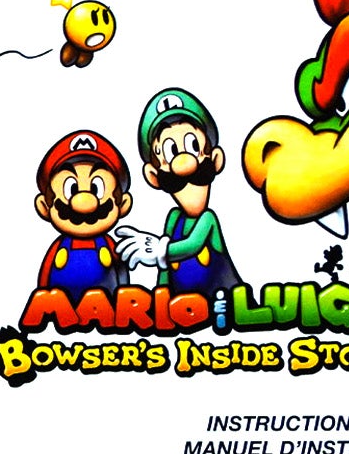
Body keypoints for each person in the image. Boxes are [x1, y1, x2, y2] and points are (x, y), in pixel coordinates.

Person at [116, 88, 242, 295]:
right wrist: (160, 294)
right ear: (153, 176)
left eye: (193, 146)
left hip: (225, 302)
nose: (184, 164)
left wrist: (159, 250)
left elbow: (192, 245)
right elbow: (165, 268)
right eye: (171, 152)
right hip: (180, 306)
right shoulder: (174, 218)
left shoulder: (207, 219)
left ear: (215, 159)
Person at [32, 129, 133, 302]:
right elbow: (44, 279)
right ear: (44, 206)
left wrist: (124, 302)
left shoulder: (109, 245)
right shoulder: (58, 247)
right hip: (59, 310)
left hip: (107, 311)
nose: (84, 202)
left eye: (96, 188)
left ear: (122, 203)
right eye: (71, 188)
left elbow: (122, 277)